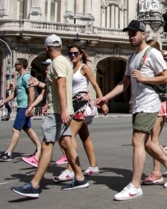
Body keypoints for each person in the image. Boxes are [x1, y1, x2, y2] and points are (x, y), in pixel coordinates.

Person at [95, 20, 167, 201]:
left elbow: (166, 77)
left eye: (135, 33)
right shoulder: (132, 58)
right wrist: (106, 97)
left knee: (137, 140)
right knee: (148, 143)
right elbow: (124, 83)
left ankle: (135, 186)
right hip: (138, 103)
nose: (131, 36)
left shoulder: (153, 54)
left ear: (144, 34)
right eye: (129, 33)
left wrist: (144, 78)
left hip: (149, 103)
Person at [12, 35, 89, 198]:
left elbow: (61, 86)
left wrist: (62, 110)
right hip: (62, 109)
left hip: (57, 111)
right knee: (66, 142)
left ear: (46, 48)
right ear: (60, 47)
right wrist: (39, 84)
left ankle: (34, 184)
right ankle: (80, 177)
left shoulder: (58, 62)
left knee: (47, 145)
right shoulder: (65, 62)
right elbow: (55, 86)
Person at [54, 45, 108, 182]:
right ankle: (93, 166)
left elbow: (95, 85)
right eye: (70, 53)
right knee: (85, 137)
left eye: (75, 53)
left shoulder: (84, 68)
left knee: (69, 136)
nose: (72, 55)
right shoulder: (69, 68)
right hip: (72, 103)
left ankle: (70, 169)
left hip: (81, 103)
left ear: (80, 54)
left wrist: (103, 102)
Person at [141, 41, 167, 185]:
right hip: (150, 103)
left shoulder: (159, 64)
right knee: (149, 139)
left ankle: (157, 172)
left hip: (160, 104)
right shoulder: (149, 63)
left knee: (153, 140)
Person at [0, 59, 41, 163]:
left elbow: (31, 91)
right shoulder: (19, 78)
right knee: (27, 128)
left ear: (21, 65)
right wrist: (3, 102)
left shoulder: (26, 77)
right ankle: (40, 147)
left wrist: (30, 106)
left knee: (15, 129)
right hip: (22, 106)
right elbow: (14, 94)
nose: (14, 65)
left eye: (16, 64)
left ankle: (8, 153)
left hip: (24, 107)